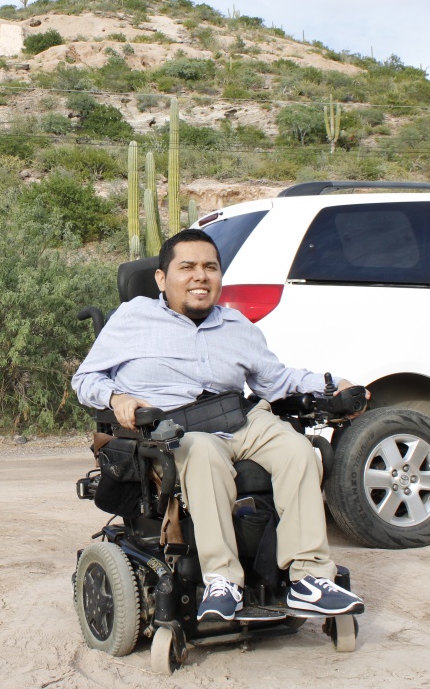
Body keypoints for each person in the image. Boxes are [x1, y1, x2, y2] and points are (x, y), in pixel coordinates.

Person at [72, 228, 366, 621]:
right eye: (187, 267)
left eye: (210, 267)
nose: (200, 276)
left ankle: (308, 577)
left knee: (299, 449)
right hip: (172, 428)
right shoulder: (133, 318)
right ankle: (222, 579)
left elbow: (276, 380)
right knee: (204, 451)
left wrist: (333, 386)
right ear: (162, 279)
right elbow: (85, 379)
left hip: (238, 418)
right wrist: (116, 398)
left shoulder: (237, 325)